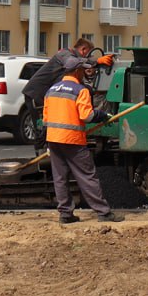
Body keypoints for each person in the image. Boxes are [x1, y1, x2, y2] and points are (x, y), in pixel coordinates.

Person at [43, 59, 123, 223]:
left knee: (60, 178)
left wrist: (48, 142)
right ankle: (103, 213)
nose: (85, 73)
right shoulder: (80, 90)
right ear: (77, 71)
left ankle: (65, 214)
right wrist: (103, 116)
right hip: (73, 141)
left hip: (54, 140)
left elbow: (46, 119)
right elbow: (87, 116)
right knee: (87, 176)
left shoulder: (51, 90)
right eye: (83, 70)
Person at [23, 38, 116, 145]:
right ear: (83, 49)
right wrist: (96, 61)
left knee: (47, 128)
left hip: (44, 94)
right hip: (35, 94)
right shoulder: (64, 54)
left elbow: (74, 81)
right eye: (88, 54)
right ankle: (42, 154)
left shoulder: (72, 62)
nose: (88, 58)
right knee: (42, 129)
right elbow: (73, 62)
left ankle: (50, 149)